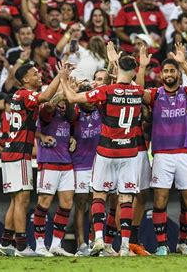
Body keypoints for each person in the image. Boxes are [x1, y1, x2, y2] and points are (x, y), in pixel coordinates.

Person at [59, 42, 144, 257]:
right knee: (126, 198)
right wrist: (117, 63)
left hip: (106, 151)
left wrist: (62, 79)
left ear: (117, 70)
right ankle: (124, 246)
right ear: (134, 70)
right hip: (129, 153)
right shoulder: (139, 92)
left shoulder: (106, 91)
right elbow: (128, 79)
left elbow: (72, 98)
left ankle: (98, 239)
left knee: (99, 194)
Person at [137, 44, 187, 256]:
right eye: (165, 71)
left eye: (172, 71)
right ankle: (162, 245)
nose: (168, 74)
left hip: (185, 153)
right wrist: (142, 67)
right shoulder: (156, 94)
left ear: (177, 74)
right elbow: (139, 93)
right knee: (160, 200)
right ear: (161, 75)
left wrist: (183, 62)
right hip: (162, 155)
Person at [0, 61, 64, 257]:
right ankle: (21, 246)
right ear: (25, 79)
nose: (39, 75)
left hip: (11, 151)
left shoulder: (19, 96)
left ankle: (5, 243)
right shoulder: (26, 94)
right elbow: (44, 97)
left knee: (15, 201)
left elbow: (46, 104)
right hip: (19, 153)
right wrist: (60, 77)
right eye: (35, 73)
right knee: (22, 200)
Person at [32, 93, 76, 257]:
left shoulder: (68, 111)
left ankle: (56, 245)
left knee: (66, 204)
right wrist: (62, 90)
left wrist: (72, 138)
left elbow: (72, 120)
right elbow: (48, 107)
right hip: (48, 161)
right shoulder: (46, 110)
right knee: (44, 203)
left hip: (66, 162)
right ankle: (40, 245)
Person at [71, 83, 101, 256]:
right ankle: (81, 244)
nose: (90, 100)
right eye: (85, 97)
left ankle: (94, 241)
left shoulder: (100, 110)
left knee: (96, 203)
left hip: (98, 163)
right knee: (81, 203)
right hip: (80, 163)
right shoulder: (74, 114)